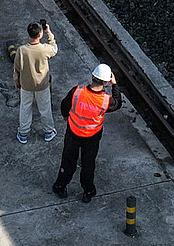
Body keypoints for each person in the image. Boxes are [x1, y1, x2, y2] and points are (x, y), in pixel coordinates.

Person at [52, 63, 123, 202]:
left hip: (73, 133)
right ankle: (88, 191)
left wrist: (66, 115)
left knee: (68, 161)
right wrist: (115, 85)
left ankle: (60, 186)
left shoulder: (77, 92)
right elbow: (118, 103)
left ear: (92, 76)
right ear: (106, 81)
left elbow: (65, 105)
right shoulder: (106, 101)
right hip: (92, 137)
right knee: (88, 164)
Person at [13, 20, 58, 144]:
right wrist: (50, 34)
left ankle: (23, 133)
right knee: (45, 108)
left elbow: (16, 68)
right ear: (40, 34)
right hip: (42, 85)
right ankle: (49, 131)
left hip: (26, 85)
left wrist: (16, 81)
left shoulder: (22, 50)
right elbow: (54, 49)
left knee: (25, 107)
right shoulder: (44, 49)